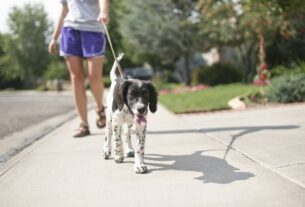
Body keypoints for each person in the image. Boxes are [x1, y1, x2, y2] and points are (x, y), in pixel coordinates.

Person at [48, 0, 109, 137]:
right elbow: (64, 9)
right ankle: (84, 124)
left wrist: (104, 11)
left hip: (93, 29)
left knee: (94, 77)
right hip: (70, 30)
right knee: (76, 78)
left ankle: (100, 108)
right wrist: (54, 38)